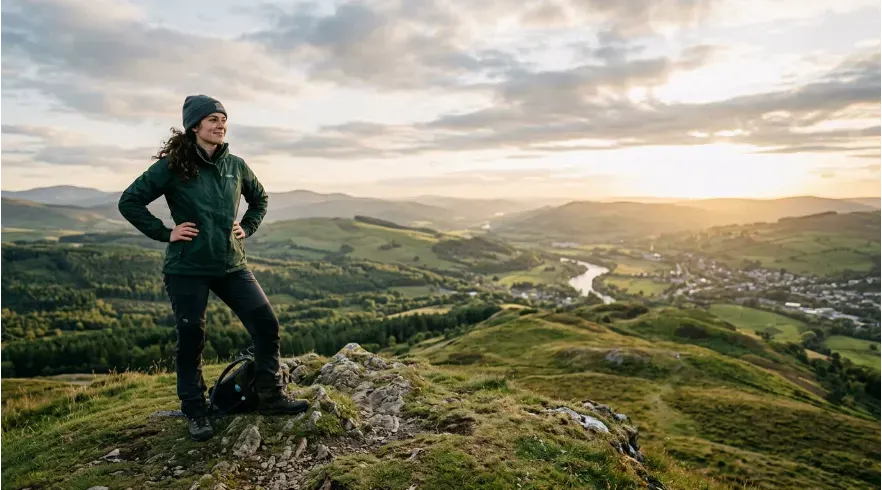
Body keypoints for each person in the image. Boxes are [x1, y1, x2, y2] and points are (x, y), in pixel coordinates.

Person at [118, 95, 309, 441]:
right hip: (186, 267)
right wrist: (165, 232)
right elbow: (129, 200)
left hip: (231, 264)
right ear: (194, 126)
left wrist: (246, 226)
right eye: (212, 119)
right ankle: (195, 410)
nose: (220, 124)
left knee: (266, 325)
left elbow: (260, 198)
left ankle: (270, 397)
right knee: (191, 339)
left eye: (223, 119)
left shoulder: (235, 165)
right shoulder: (173, 166)